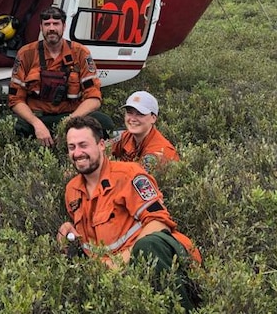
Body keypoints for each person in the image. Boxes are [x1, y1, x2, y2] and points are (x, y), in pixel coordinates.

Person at [57, 116, 201, 311]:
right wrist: (68, 233)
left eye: (83, 145)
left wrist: (120, 262)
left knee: (150, 244)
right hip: (111, 273)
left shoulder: (129, 175)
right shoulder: (72, 190)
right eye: (72, 147)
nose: (77, 153)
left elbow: (159, 222)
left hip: (155, 258)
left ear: (101, 145)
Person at [8, 5, 114, 147]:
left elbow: (94, 98)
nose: (51, 28)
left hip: (70, 116)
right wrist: (37, 124)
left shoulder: (80, 53)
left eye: (56, 24)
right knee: (9, 125)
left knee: (104, 123)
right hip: (38, 117)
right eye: (47, 24)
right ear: (41, 27)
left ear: (64, 26)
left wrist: (68, 123)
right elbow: (15, 99)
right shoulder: (26, 53)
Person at [111, 91, 179, 172]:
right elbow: (103, 150)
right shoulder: (126, 136)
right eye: (129, 113)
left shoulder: (161, 151)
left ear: (153, 118)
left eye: (140, 114)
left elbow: (138, 178)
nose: (132, 119)